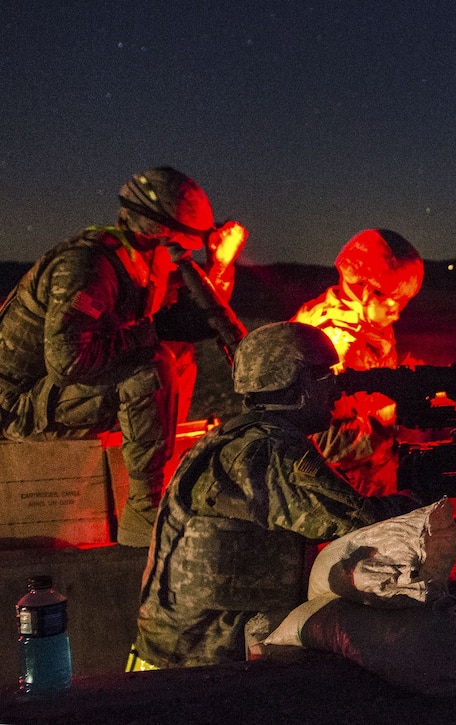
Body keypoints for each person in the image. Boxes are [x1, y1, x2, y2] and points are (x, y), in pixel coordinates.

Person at [130, 321, 421, 669]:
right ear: (297, 383)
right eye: (324, 376)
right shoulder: (272, 452)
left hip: (176, 650)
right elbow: (362, 524)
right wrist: (420, 496)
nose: (336, 389)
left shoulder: (231, 439)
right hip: (200, 664)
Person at [0, 166, 246, 547]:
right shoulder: (88, 264)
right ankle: (144, 512)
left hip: (47, 394)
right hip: (15, 408)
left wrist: (218, 268)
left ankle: (154, 475)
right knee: (152, 366)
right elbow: (67, 363)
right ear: (162, 227)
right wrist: (156, 329)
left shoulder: (138, 257)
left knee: (177, 356)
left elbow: (194, 306)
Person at [292, 229, 424, 495]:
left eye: (402, 304)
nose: (396, 315)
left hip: (373, 475)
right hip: (341, 489)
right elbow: (322, 446)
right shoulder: (327, 342)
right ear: (361, 288)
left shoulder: (368, 323)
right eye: (391, 304)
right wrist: (396, 423)